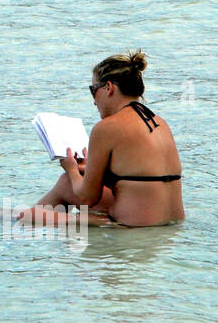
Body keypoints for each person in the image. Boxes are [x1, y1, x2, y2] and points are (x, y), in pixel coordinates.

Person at [18, 51, 184, 228]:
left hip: (130, 227)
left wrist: (71, 168)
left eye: (93, 90)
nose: (94, 102)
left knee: (29, 215)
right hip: (172, 222)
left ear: (108, 88)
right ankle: (84, 220)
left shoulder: (107, 127)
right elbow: (140, 177)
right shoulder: (159, 123)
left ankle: (87, 222)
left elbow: (87, 197)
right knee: (68, 184)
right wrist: (91, 168)